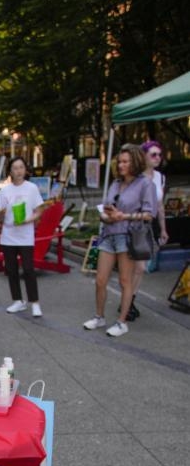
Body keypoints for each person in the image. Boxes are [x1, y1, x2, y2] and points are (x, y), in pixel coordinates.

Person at [83, 143, 154, 338]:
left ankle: (122, 322)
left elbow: (149, 215)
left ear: (135, 162)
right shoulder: (115, 183)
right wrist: (105, 216)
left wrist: (124, 216)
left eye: (125, 162)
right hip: (109, 234)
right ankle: (99, 316)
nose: (121, 165)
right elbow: (107, 207)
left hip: (127, 235)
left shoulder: (145, 184)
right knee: (100, 280)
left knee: (125, 280)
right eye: (120, 161)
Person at [0, 157, 44, 317]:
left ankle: (34, 302)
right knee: (11, 270)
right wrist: (0, 216)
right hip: (8, 236)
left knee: (28, 269)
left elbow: (39, 211)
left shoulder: (32, 188)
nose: (19, 171)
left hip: (25, 236)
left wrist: (27, 220)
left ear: (25, 169)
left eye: (21, 167)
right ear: (10, 171)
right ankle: (17, 300)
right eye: (15, 168)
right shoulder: (4, 191)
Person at [141, 140, 168, 274]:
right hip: (136, 224)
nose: (157, 158)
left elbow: (160, 205)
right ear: (144, 156)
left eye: (159, 155)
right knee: (137, 268)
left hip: (152, 224)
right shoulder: (136, 177)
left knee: (147, 267)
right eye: (153, 155)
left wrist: (163, 229)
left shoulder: (160, 177)